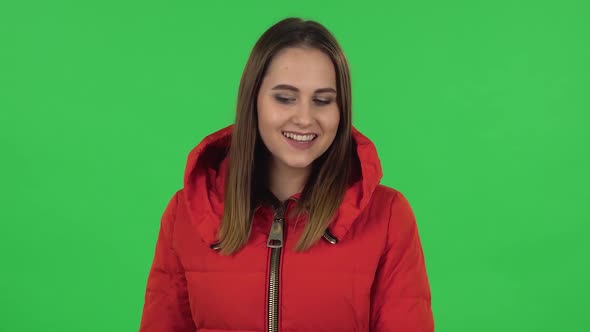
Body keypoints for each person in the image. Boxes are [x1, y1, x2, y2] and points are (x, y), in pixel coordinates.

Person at [139, 17, 434, 332]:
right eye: (284, 97)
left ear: (341, 112)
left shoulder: (388, 217)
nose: (305, 118)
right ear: (253, 101)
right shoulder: (186, 213)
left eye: (322, 101)